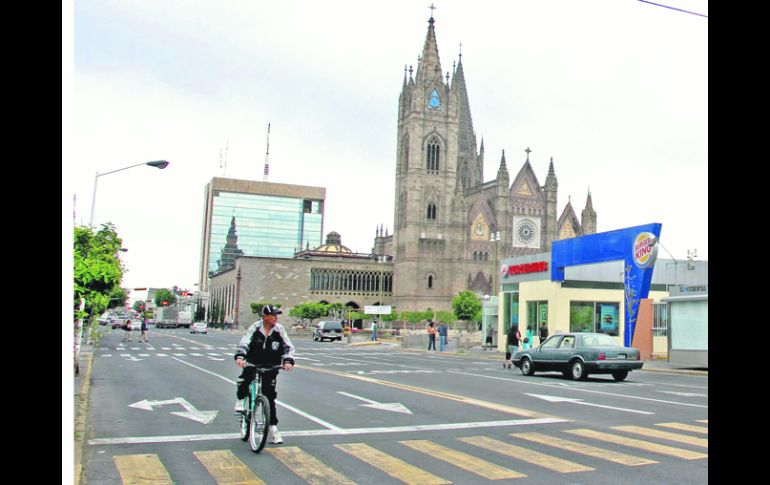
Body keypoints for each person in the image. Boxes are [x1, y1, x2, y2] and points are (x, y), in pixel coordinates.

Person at [234, 305, 295, 445]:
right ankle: (241, 398)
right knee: (245, 378)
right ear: (265, 317)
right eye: (273, 315)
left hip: (271, 366)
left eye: (276, 315)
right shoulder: (255, 328)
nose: (276, 317)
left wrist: (288, 361)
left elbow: (288, 347)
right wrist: (240, 357)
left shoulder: (279, 329)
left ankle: (273, 429)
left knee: (269, 396)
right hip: (253, 362)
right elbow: (244, 342)